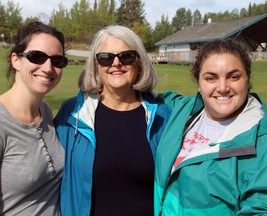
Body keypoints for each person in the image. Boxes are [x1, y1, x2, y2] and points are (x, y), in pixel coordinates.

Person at [154, 39, 267, 215]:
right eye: (211, 78)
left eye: (234, 77)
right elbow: (143, 93)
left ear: (247, 80)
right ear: (199, 84)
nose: (223, 87)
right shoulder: (184, 110)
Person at [54, 25, 171, 216]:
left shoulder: (162, 117)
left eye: (126, 56)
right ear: (96, 66)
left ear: (139, 62)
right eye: (106, 57)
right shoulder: (72, 114)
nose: (116, 63)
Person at [0, 21, 68, 215]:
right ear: (16, 60)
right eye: (37, 57)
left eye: (57, 61)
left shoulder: (45, 112)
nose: (48, 68)